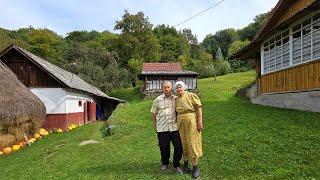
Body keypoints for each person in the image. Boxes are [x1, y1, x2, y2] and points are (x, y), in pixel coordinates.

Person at [151, 81, 183, 174]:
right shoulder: (158, 99)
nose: (167, 89)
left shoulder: (176, 99)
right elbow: (153, 113)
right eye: (165, 87)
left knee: (178, 146)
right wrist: (155, 126)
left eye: (168, 87)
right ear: (162, 89)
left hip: (174, 127)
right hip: (162, 128)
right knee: (164, 147)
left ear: (171, 88)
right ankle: (165, 163)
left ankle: (176, 164)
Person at [174, 81, 203, 179]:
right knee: (183, 143)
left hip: (191, 119)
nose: (179, 89)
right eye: (177, 88)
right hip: (180, 121)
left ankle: (195, 167)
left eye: (180, 87)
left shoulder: (191, 95)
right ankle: (185, 164)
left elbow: (199, 109)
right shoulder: (176, 99)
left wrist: (199, 122)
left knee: (193, 142)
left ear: (184, 87)